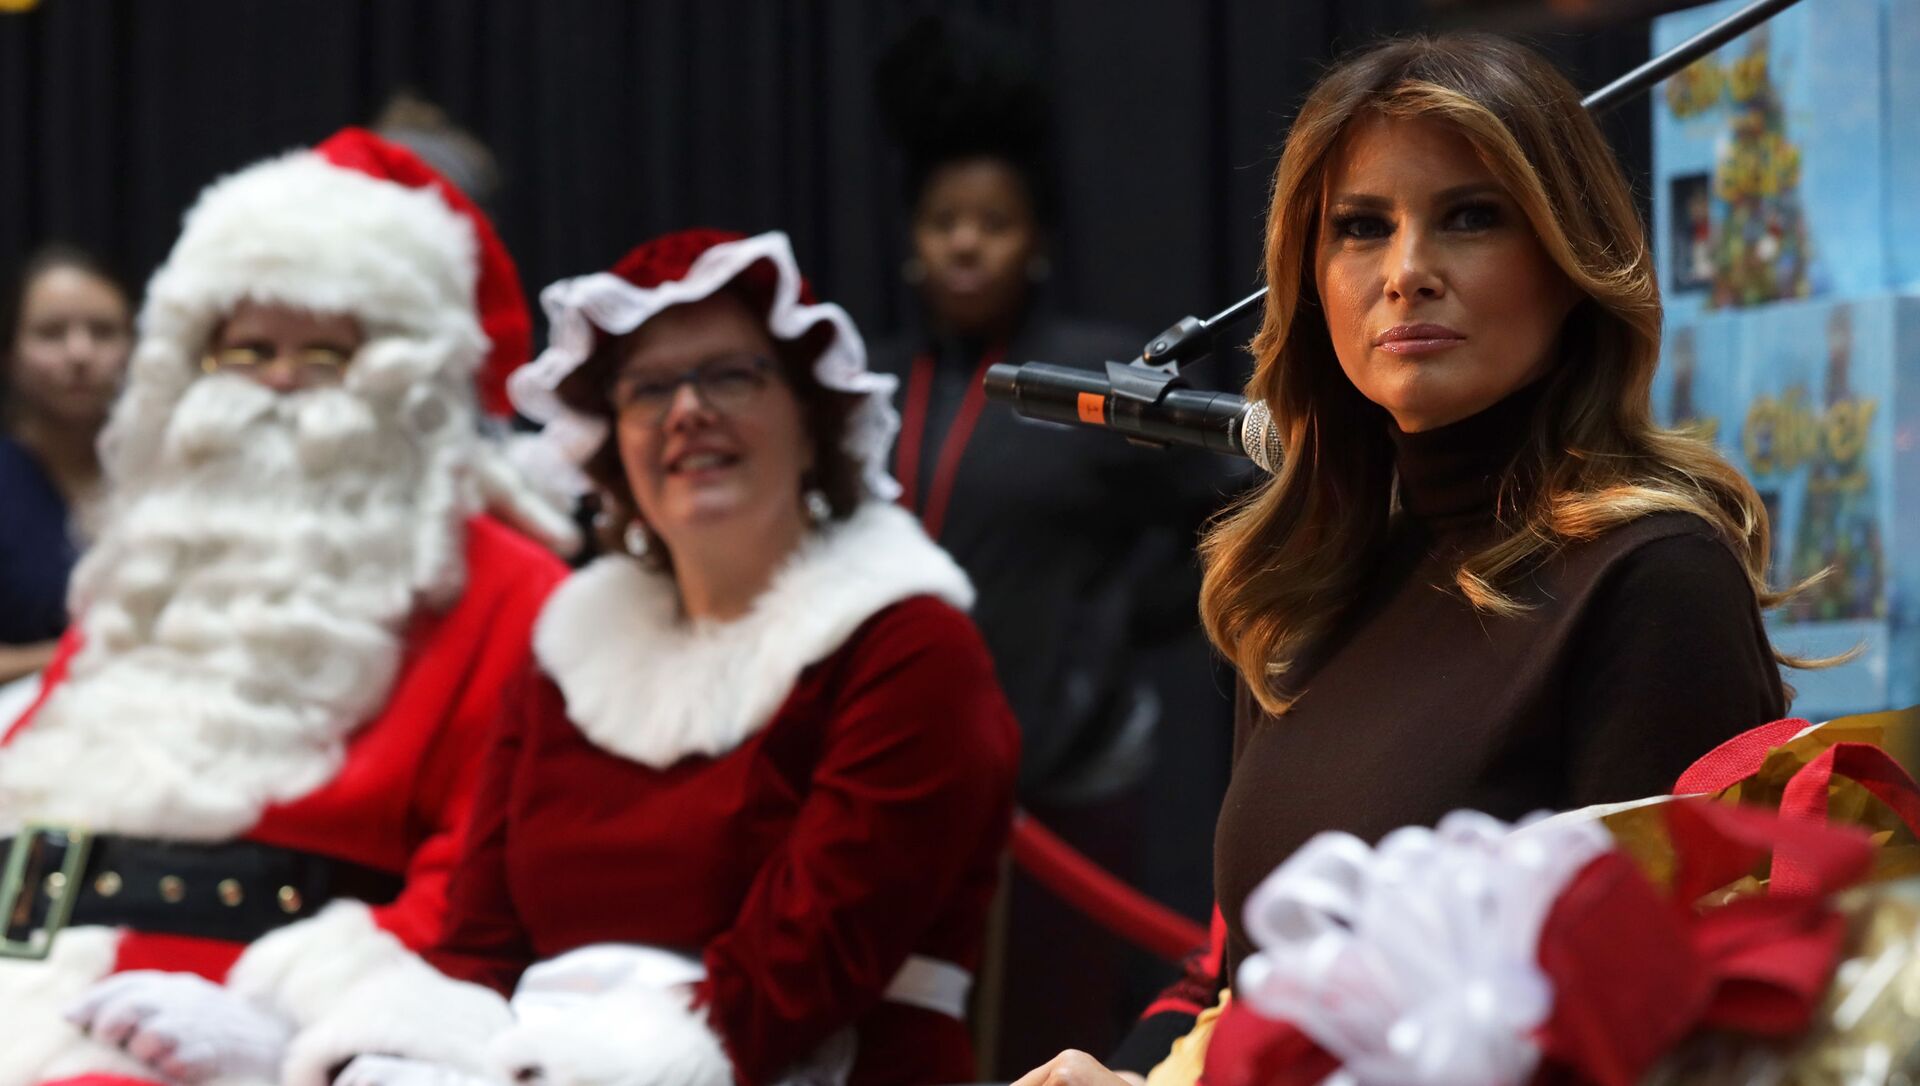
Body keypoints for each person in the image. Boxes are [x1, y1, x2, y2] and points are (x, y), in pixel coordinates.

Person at [1012, 33, 1797, 1086]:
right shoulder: (1304, 584)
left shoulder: (1652, 579)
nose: (1407, 271)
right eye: (1361, 227)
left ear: (1569, 261)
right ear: (1311, 279)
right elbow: (1242, 977)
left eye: (1471, 217)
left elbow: (1666, 1046)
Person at [83, 229, 1023, 1086]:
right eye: (649, 389)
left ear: (812, 417)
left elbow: (806, 966)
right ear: (610, 442)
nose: (688, 411)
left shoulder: (907, 644)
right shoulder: (572, 649)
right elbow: (477, 947)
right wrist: (327, 1047)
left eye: (731, 376)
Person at [0, 127, 573, 1085]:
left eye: (324, 354)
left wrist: (285, 1020)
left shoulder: (506, 585)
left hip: (243, 1014)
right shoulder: (154, 555)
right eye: (248, 349)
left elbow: (483, 877)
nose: (277, 379)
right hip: (31, 980)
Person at [872, 16, 1239, 1073]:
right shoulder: (871, 389)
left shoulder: (1093, 378)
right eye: (945, 221)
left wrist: (1122, 625)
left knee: (1043, 1046)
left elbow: (1240, 501)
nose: (966, 243)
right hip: (904, 798)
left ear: (1036, 239)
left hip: (1063, 795)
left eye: (993, 221)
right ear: (913, 240)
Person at [0, 246, 133, 682]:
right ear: (10, 352)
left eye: (103, 332)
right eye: (51, 333)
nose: (80, 353)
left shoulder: (167, 475)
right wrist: (77, 654)